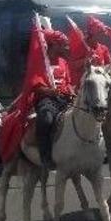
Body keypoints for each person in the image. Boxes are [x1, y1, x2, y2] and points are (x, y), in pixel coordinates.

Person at [34, 30, 74, 169]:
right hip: (47, 100)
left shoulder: (63, 62)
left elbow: (68, 83)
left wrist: (72, 93)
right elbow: (36, 87)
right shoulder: (41, 62)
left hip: (64, 99)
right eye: (63, 45)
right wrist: (50, 91)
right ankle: (45, 156)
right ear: (54, 45)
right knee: (46, 120)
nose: (66, 48)